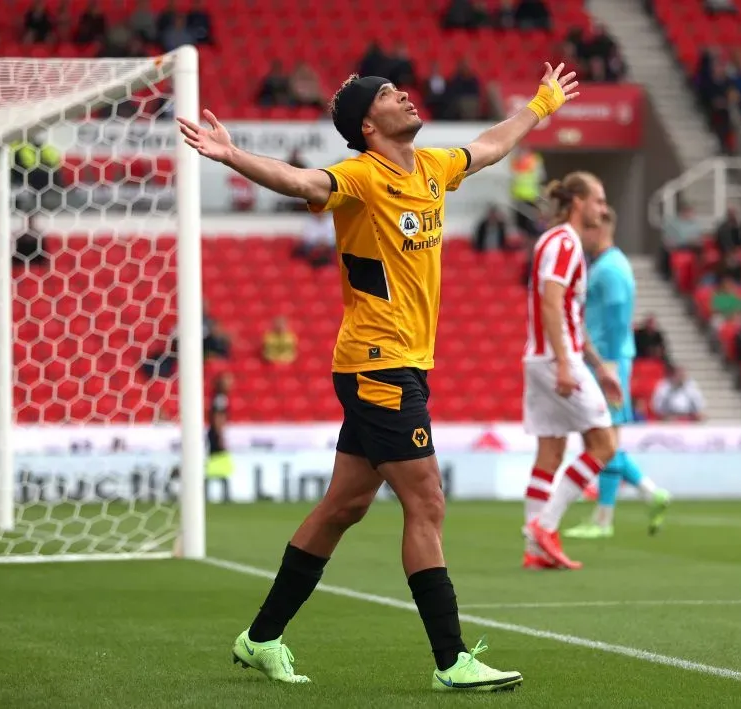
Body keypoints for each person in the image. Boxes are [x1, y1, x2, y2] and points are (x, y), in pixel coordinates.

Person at [178, 61, 580, 691]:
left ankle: (259, 639)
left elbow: (494, 145)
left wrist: (541, 105)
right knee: (427, 501)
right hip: (378, 363)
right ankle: (451, 661)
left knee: (344, 506)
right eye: (393, 95)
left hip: (401, 364)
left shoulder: (432, 168)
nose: (407, 96)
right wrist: (233, 156)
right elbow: (300, 181)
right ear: (369, 124)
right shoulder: (361, 176)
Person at [518, 173, 622, 572]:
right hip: (554, 359)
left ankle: (534, 548)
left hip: (545, 356)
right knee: (604, 444)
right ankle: (545, 527)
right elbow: (551, 303)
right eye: (598, 200)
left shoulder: (558, 242)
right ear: (578, 202)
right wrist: (565, 362)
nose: (603, 208)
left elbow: (569, 315)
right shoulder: (564, 243)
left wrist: (598, 366)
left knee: (551, 452)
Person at [560, 208, 670, 541]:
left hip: (607, 363)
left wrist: (605, 364)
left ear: (601, 229)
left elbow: (618, 322)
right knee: (604, 441)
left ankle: (607, 517)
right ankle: (648, 495)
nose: (582, 236)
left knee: (603, 440)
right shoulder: (607, 266)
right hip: (605, 362)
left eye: (588, 229)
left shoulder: (610, 269)